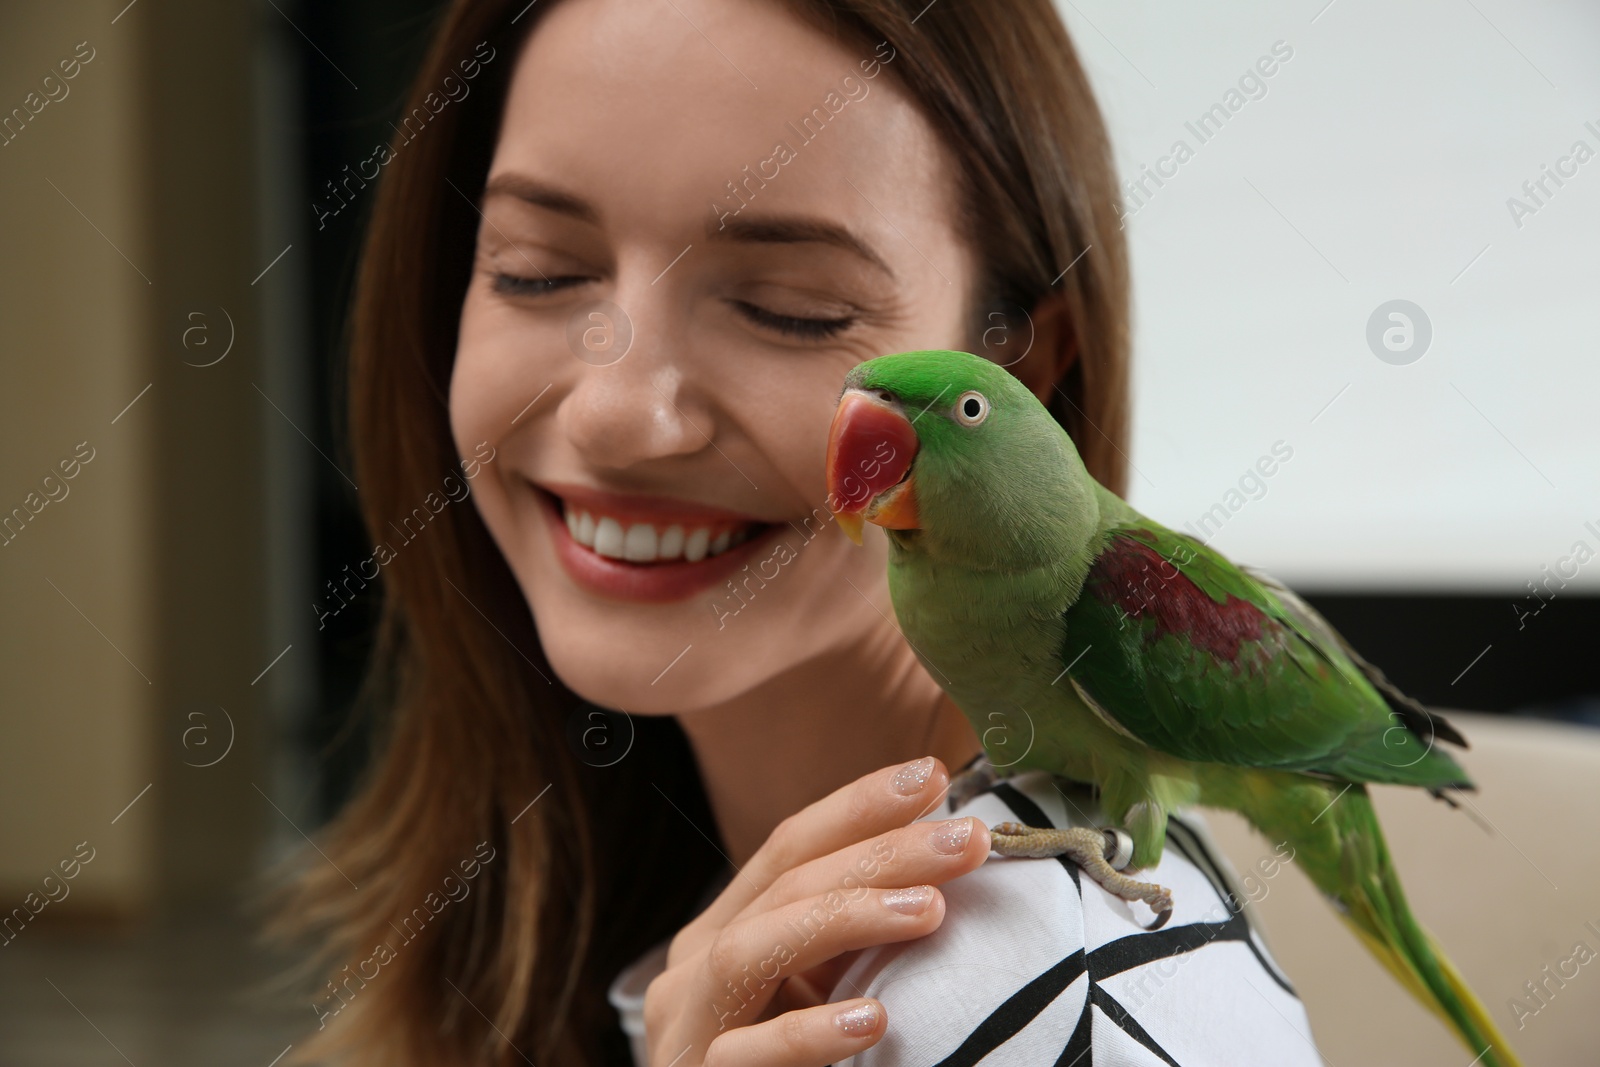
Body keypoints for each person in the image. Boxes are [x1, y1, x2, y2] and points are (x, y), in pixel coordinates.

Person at [271, 0, 1323, 1064]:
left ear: (1021, 375)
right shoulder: (593, 892)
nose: (614, 411)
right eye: (536, 268)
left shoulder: (1052, 987)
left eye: (791, 307)